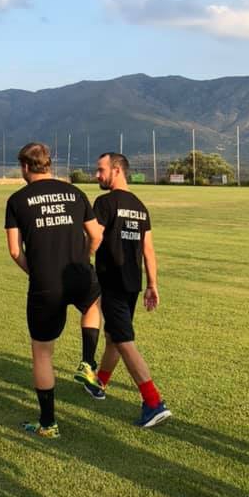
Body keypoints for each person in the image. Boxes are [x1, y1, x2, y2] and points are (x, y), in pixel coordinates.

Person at [5, 142, 102, 438]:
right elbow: (96, 234)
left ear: (25, 167)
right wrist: (85, 257)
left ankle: (48, 424)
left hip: (45, 283)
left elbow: (14, 250)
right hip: (78, 273)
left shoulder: (17, 200)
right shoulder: (75, 192)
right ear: (49, 164)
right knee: (93, 303)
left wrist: (35, 271)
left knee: (43, 354)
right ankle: (87, 361)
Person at [90, 152, 171, 427]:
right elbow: (148, 249)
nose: (97, 175)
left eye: (101, 170)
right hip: (132, 283)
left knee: (123, 340)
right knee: (114, 335)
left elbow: (94, 237)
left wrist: (81, 261)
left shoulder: (104, 203)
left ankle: (153, 402)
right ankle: (99, 383)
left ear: (116, 170)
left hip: (111, 281)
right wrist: (152, 285)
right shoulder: (139, 206)